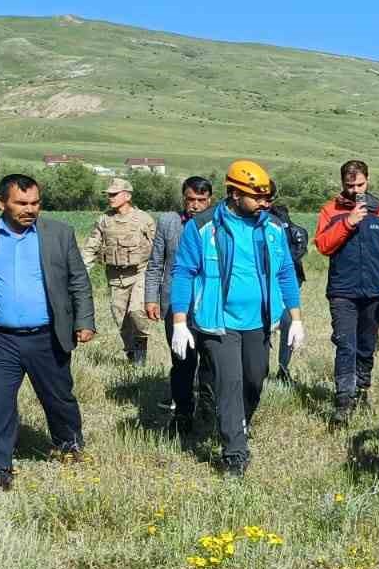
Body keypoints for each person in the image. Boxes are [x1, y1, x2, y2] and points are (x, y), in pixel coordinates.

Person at [0, 173, 96, 493]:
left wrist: (85, 321)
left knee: (59, 399)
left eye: (35, 203)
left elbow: (78, 280)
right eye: (21, 203)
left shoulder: (59, 234)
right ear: (1, 203)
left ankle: (70, 445)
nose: (30, 209)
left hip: (47, 336)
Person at [167, 161, 305, 477]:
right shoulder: (202, 227)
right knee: (228, 383)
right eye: (257, 197)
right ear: (233, 193)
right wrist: (178, 321)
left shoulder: (272, 228)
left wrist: (295, 318)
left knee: (255, 380)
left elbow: (285, 272)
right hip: (218, 322)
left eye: (267, 197)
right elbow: (183, 272)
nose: (264, 203)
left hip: (259, 320)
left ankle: (239, 421)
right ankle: (234, 453)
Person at [314, 160, 379, 424]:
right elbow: (323, 245)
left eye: (360, 184)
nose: (356, 190)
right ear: (342, 184)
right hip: (342, 290)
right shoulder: (330, 210)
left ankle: (362, 390)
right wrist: (348, 222)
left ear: (368, 180)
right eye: (350, 185)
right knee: (345, 344)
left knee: (366, 345)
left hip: (375, 291)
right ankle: (343, 400)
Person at [144, 175, 214, 436]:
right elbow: (156, 263)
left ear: (210, 200)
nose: (194, 205)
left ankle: (208, 409)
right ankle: (183, 412)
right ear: (183, 198)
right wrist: (151, 297)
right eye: (190, 199)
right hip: (175, 304)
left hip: (209, 303)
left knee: (210, 360)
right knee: (182, 359)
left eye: (201, 200)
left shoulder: (218, 224)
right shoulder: (169, 222)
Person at [81, 176, 157, 364]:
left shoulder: (143, 219)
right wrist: (81, 271)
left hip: (140, 272)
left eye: (114, 194)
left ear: (127, 196)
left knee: (136, 312)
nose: (110, 198)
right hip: (115, 277)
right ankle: (133, 357)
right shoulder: (104, 220)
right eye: (109, 194)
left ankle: (140, 355)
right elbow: (91, 246)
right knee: (121, 319)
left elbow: (157, 247)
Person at [263, 181, 309, 381]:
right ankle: (264, 369)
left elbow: (294, 250)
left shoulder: (277, 219)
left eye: (268, 198)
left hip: (282, 281)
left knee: (286, 321)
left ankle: (281, 368)